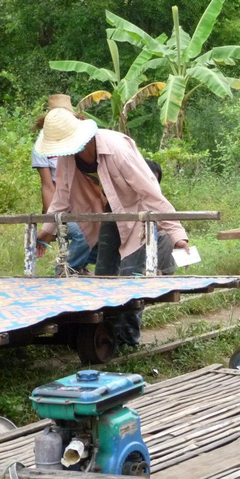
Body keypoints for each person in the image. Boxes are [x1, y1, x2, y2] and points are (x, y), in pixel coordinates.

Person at [33, 107, 189, 346]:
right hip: (108, 214)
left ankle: (128, 340)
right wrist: (45, 233)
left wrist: (177, 234)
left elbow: (150, 192)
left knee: (130, 278)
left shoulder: (116, 149)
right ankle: (106, 337)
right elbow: (61, 199)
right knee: (104, 275)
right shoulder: (67, 156)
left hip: (138, 216)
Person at [31, 94, 94, 275]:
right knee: (82, 232)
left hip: (84, 203)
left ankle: (80, 266)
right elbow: (48, 186)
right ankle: (64, 271)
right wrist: (51, 220)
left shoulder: (81, 138)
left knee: (105, 231)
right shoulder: (42, 145)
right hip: (60, 206)